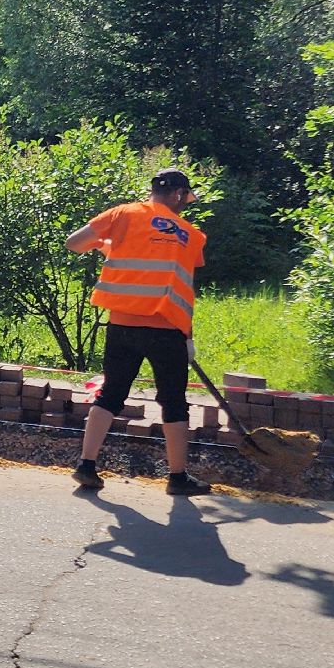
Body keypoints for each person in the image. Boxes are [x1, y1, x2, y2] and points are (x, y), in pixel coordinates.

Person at [65, 168, 211, 496]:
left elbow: (74, 243)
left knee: (110, 394)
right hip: (167, 330)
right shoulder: (191, 235)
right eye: (185, 199)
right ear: (178, 194)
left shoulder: (123, 214)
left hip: (123, 325)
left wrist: (109, 246)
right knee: (174, 402)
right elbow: (183, 285)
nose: (185, 205)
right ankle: (177, 478)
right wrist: (188, 338)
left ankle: (86, 465)